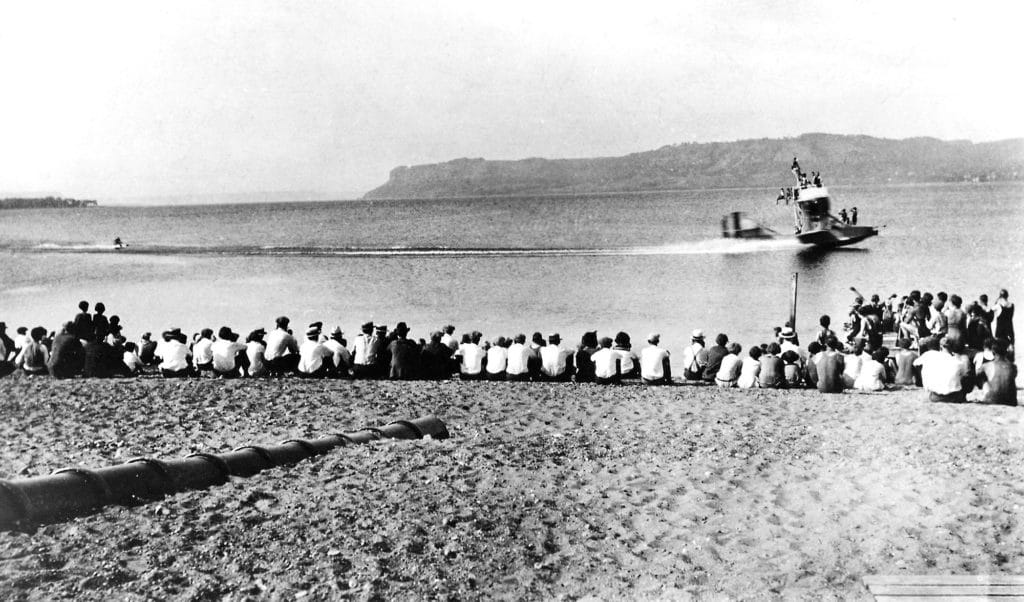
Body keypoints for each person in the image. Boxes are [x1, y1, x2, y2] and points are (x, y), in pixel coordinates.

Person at [913, 337, 968, 403]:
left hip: (936, 396)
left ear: (940, 346)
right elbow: (964, 375)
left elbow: (915, 364)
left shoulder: (930, 355)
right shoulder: (959, 362)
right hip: (955, 397)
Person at [976, 339, 1017, 405]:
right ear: (1006, 352)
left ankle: (987, 395)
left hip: (993, 400)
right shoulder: (1013, 366)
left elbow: (977, 376)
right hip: (1010, 401)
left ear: (993, 352)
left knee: (983, 378)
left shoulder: (986, 366)